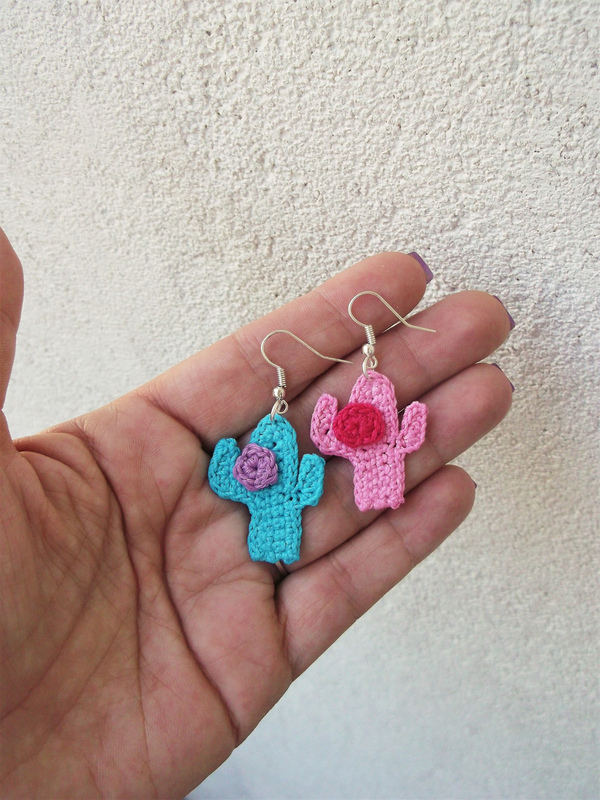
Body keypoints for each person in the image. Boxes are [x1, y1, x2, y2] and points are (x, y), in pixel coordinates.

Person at [0, 227, 513, 798]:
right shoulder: (279, 472)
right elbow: (297, 470)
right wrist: (286, 449)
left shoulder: (327, 453)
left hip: (320, 495)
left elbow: (321, 464)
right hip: (281, 517)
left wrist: (329, 440)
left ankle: (366, 485)